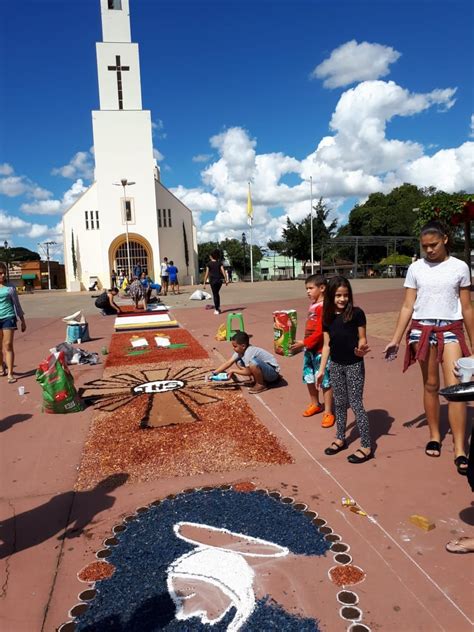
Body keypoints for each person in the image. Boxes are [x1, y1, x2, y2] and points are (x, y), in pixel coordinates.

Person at [384, 220, 473, 475]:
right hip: (421, 329)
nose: (429, 250)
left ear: (445, 239)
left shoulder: (460, 267)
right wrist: (396, 339)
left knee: (456, 388)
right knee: (431, 385)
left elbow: (467, 307)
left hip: (451, 329)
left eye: (433, 245)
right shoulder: (415, 268)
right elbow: (407, 305)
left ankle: (459, 447)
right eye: (425, 247)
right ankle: (434, 435)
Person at [316, 276, 371, 463]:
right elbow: (326, 345)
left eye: (346, 295)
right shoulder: (328, 317)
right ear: (331, 296)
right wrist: (321, 370)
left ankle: (366, 445)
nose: (342, 299)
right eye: (338, 295)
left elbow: (362, 338)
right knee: (339, 403)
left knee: (355, 403)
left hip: (354, 364)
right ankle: (340, 438)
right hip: (335, 365)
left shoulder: (357, 313)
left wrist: (361, 349)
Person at [290, 274, 334, 427]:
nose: (308, 291)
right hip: (309, 349)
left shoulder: (325, 306)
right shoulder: (314, 305)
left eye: (310, 288)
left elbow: (321, 330)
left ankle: (328, 411)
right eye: (306, 289)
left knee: (325, 380)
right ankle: (315, 403)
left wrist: (304, 342)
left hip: (321, 350)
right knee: (309, 377)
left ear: (322, 288)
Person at [213, 331, 281, 394]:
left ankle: (261, 384)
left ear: (243, 346)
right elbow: (229, 362)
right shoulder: (240, 351)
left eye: (235, 346)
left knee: (253, 363)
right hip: (266, 371)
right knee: (238, 361)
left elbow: (248, 372)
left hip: (273, 374)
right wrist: (215, 373)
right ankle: (259, 379)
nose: (233, 348)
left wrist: (233, 370)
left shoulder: (249, 352)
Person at [0, 263, 26, 383]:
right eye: (0, 273)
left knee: (8, 345)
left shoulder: (10, 287)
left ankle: (10, 373)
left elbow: (17, 304)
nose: (3, 275)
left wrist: (22, 320)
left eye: (4, 272)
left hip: (8, 318)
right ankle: (1, 367)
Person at [203, 249, 228, 315]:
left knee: (215, 294)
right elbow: (223, 271)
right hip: (219, 281)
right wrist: (226, 279)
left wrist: (204, 283)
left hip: (213, 281)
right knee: (217, 293)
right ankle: (218, 307)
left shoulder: (209, 264)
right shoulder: (219, 263)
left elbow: (207, 273)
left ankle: (217, 309)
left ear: (211, 256)